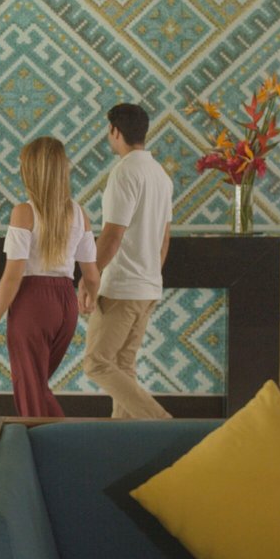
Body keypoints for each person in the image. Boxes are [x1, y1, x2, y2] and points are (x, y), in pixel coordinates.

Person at [0, 137, 100, 417]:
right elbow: (91, 274)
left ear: (31, 170)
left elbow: (12, 277)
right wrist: (89, 295)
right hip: (66, 306)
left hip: (33, 303)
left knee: (31, 391)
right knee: (37, 387)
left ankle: (65, 439)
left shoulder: (24, 213)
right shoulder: (80, 213)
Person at [78, 103, 173, 419]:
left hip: (122, 288)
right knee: (122, 365)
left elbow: (112, 234)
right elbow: (164, 237)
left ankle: (160, 422)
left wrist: (90, 276)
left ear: (115, 131)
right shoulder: (160, 175)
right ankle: (124, 435)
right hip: (148, 287)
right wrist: (150, 274)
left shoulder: (124, 172)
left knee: (96, 363)